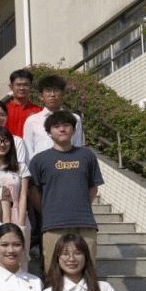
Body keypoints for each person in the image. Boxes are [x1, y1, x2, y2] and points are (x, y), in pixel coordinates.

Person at [28, 110, 103, 272]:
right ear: (49, 132)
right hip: (53, 224)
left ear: (74, 130)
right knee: (53, 270)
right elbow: (33, 192)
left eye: (66, 125)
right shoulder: (39, 160)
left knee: (88, 269)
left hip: (84, 222)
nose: (62, 129)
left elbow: (93, 187)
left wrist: (81, 206)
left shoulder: (87, 156)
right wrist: (47, 211)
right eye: (56, 127)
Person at [0, 126, 31, 242]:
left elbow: (23, 196)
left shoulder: (21, 167)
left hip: (16, 214)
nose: (2, 144)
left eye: (5, 141)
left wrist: (21, 224)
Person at [23, 73, 85, 156]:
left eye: (56, 90)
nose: (52, 95)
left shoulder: (75, 118)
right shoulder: (32, 121)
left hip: (68, 162)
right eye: (48, 91)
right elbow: (28, 151)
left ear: (63, 95)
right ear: (41, 96)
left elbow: (78, 145)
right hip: (41, 164)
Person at [6, 69, 42, 138]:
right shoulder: (4, 109)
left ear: (30, 86)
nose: (22, 88)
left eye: (25, 85)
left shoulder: (38, 111)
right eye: (18, 85)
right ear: (11, 87)